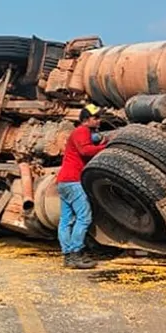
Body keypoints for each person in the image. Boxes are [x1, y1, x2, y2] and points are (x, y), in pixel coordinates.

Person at [56, 104, 107, 269]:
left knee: (66, 220)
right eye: (96, 118)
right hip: (73, 181)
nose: (99, 121)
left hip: (63, 181)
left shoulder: (81, 133)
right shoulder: (82, 131)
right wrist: (104, 148)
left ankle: (67, 256)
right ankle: (76, 253)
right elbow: (85, 151)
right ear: (86, 120)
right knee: (84, 218)